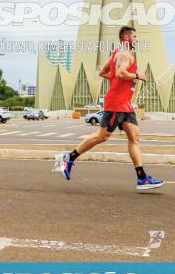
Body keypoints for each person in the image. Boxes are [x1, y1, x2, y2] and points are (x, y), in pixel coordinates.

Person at [55, 26, 165, 190]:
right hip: (116, 103)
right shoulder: (124, 54)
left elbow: (104, 72)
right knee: (102, 136)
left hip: (126, 105)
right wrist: (137, 76)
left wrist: (116, 81)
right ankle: (68, 158)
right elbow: (121, 73)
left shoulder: (116, 54)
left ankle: (142, 179)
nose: (136, 40)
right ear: (126, 38)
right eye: (134, 37)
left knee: (134, 138)